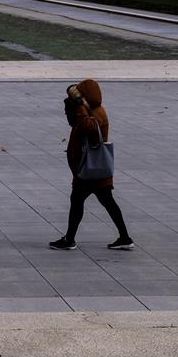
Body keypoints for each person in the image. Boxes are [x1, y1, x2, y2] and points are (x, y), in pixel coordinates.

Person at [50, 79, 133, 251]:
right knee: (105, 202)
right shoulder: (92, 110)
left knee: (78, 201)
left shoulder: (95, 113)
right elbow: (76, 124)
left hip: (90, 168)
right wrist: (74, 107)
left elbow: (89, 129)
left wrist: (80, 108)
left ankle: (70, 239)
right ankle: (124, 237)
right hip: (94, 168)